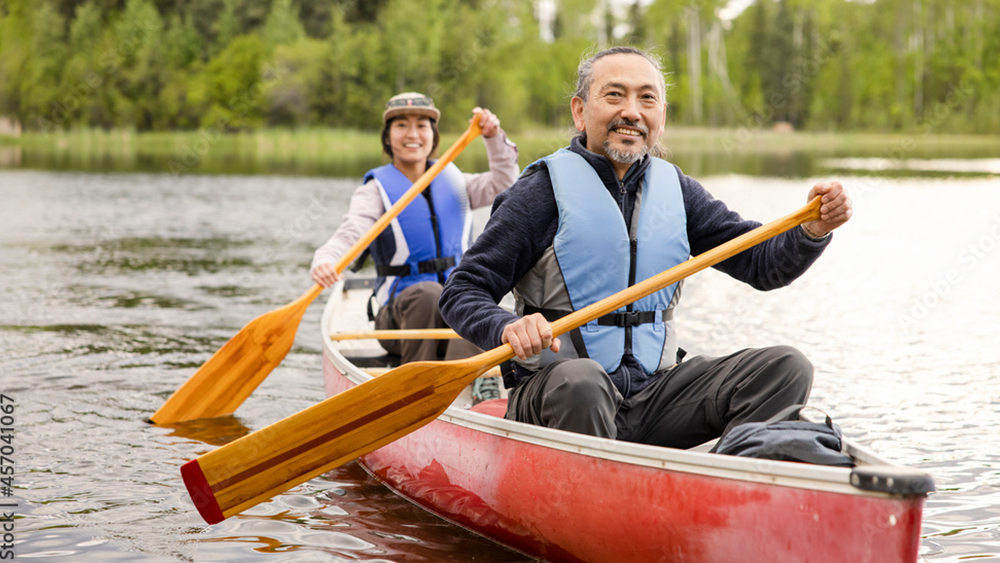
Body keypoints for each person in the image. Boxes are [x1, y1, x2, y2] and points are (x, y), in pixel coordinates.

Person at [438, 47, 852, 449]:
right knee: (584, 382)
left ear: (661, 117)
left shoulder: (680, 193)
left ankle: (725, 480)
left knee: (784, 367)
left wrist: (812, 230)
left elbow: (763, 266)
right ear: (580, 112)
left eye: (647, 98)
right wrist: (506, 327)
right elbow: (462, 292)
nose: (632, 112)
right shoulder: (539, 194)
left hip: (655, 396)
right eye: (614, 95)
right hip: (560, 395)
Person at [311, 92, 518, 402]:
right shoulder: (375, 191)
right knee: (429, 293)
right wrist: (326, 258)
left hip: (456, 320)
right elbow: (352, 231)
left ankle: (474, 380)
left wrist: (493, 137)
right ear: (388, 136)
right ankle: (417, 391)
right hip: (400, 321)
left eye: (422, 125)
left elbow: (505, 181)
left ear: (433, 135)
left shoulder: (456, 180)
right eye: (401, 126)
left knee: (471, 295)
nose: (412, 134)